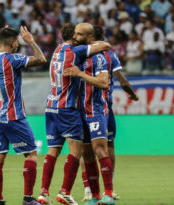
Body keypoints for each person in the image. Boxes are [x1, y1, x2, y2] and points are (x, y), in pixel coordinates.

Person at [38, 23, 111, 205]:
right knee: (77, 152)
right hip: (68, 108)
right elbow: (106, 46)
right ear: (74, 37)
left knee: (53, 151)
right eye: (77, 34)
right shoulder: (76, 51)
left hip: (51, 106)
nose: (78, 37)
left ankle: (43, 193)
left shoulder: (57, 50)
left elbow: (103, 81)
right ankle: (65, 192)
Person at [0, 26, 47, 205]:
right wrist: (31, 41)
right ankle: (28, 199)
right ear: (13, 42)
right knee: (31, 155)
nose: (18, 45)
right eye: (17, 43)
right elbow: (41, 59)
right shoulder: (13, 59)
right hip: (13, 116)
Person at [79, 26, 139, 203]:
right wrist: (132, 94)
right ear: (102, 37)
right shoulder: (109, 55)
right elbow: (122, 79)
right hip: (103, 106)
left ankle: (89, 190)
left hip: (86, 107)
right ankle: (108, 189)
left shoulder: (81, 53)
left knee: (87, 149)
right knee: (107, 146)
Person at [62, 23, 114, 205]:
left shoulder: (98, 58)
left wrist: (80, 74)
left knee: (100, 149)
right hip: (78, 113)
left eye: (79, 34)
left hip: (95, 111)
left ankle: (109, 194)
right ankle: (95, 196)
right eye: (75, 33)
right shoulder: (76, 55)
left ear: (89, 38)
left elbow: (104, 83)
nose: (74, 37)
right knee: (87, 155)